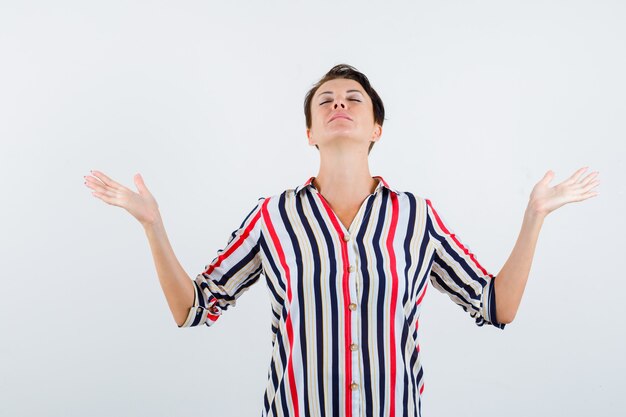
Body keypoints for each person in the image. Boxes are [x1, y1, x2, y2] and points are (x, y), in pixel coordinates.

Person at [83, 64, 600, 417]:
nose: (339, 105)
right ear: (309, 132)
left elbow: (496, 306)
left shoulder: (415, 217)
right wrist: (153, 225)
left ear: (376, 126)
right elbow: (193, 308)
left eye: (354, 99)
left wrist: (534, 217)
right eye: (325, 101)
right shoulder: (274, 216)